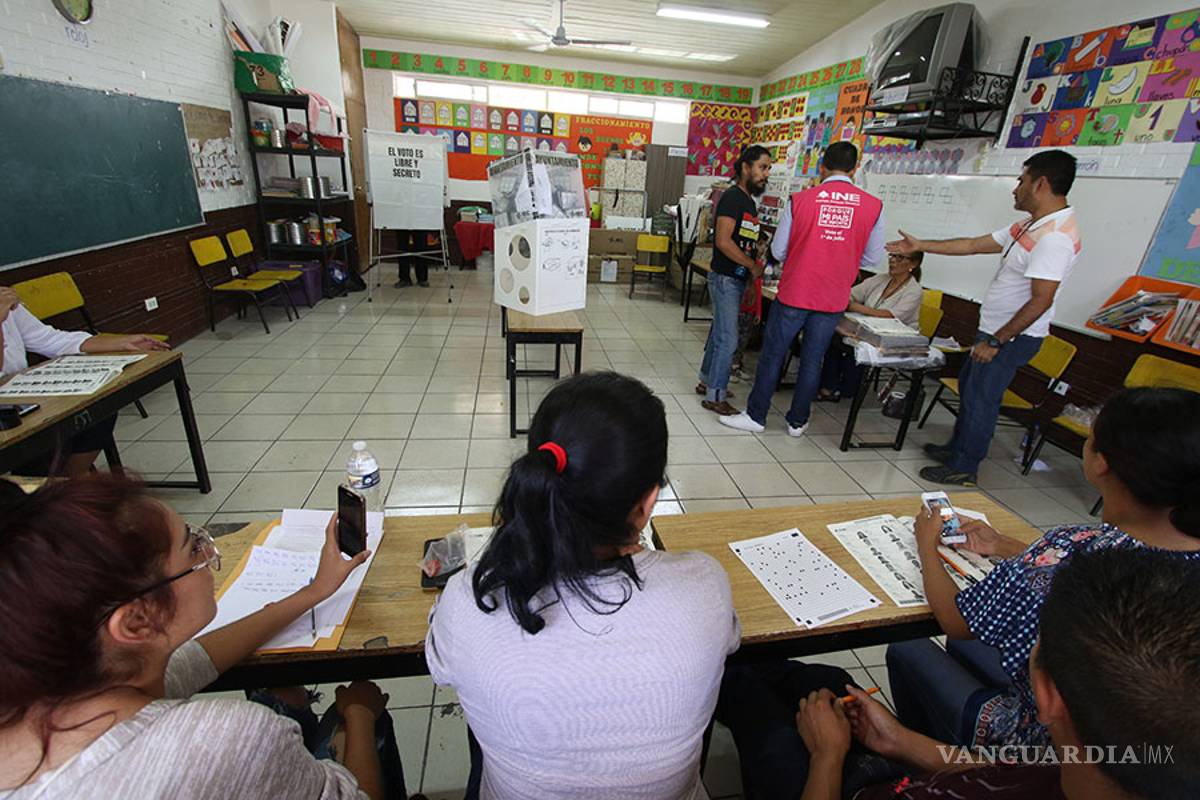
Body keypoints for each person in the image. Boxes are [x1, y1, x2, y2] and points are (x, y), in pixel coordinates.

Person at [426, 372, 740, 800]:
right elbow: (728, 640)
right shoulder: (704, 587)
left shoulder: (470, 600)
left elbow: (442, 666)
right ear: (647, 502)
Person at [0, 474, 413, 799]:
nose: (211, 552)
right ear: (136, 622)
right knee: (354, 718)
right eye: (193, 548)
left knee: (278, 692)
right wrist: (358, 716)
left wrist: (314, 592)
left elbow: (193, 661)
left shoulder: (61, 684)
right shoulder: (223, 739)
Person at [888, 386, 1200, 750]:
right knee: (970, 648)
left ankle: (937, 761)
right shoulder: (1098, 550)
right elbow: (1056, 570)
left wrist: (926, 546)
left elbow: (956, 621)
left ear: (1101, 462)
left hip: (1041, 746)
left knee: (909, 647)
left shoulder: (1076, 550)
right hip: (1148, 748)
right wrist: (1003, 545)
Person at [749, 548, 1200, 800]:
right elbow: (1016, 771)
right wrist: (903, 741)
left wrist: (826, 757)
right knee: (825, 680)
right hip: (908, 769)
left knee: (760, 712)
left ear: (1046, 693)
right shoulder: (1125, 760)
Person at [887, 149, 1081, 486]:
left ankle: (964, 466)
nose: (1015, 188)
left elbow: (1041, 300)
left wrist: (996, 340)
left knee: (982, 400)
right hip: (995, 331)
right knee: (970, 390)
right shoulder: (1031, 226)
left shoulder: (1055, 239)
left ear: (1040, 184)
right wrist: (921, 245)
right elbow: (973, 245)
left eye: (1021, 180)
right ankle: (956, 449)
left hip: (1010, 337)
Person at [721, 141, 886, 436]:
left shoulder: (801, 200)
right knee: (812, 360)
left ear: (822, 166)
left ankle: (756, 417)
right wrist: (842, 257)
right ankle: (797, 421)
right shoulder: (873, 206)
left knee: (773, 355)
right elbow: (872, 258)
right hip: (833, 297)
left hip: (795, 292)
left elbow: (779, 250)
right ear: (855, 169)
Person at [0, 286, 169, 476]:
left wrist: (117, 343)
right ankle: (45, 485)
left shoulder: (5, 300)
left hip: (21, 399)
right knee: (41, 444)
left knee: (99, 409)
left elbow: (48, 339)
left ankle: (67, 482)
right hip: (8, 416)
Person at [696, 145, 771, 416]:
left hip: (737, 279)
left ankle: (707, 381)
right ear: (745, 167)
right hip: (725, 279)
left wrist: (752, 267)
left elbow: (743, 242)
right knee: (729, 339)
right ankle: (715, 396)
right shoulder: (732, 198)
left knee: (720, 334)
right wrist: (752, 266)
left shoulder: (748, 202)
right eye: (762, 167)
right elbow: (723, 242)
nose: (766, 174)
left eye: (768, 168)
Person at [817, 251, 924, 402]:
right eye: (892, 256)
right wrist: (846, 300)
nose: (893, 260)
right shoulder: (881, 279)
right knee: (835, 336)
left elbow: (890, 315)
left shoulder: (914, 290)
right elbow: (851, 294)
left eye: (900, 257)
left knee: (855, 345)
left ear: (913, 264)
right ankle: (830, 385)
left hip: (894, 338)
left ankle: (846, 388)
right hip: (870, 329)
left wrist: (855, 307)